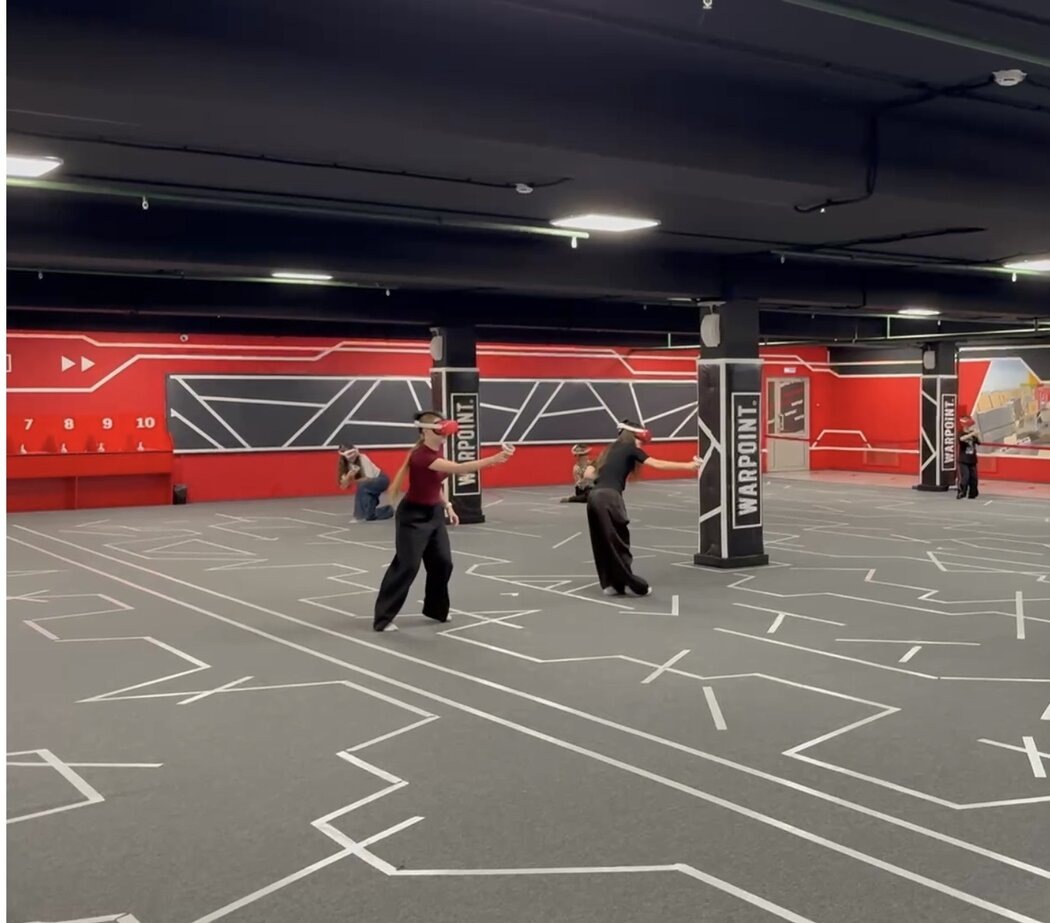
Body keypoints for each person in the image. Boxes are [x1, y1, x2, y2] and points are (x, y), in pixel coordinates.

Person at [373, 411, 515, 631]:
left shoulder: (436, 451)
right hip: (413, 517)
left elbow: (433, 484)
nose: (444, 429)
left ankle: (436, 609)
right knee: (407, 566)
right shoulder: (421, 456)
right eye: (439, 426)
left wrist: (447, 505)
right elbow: (459, 469)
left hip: (434, 514)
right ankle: (383, 618)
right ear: (426, 431)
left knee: (443, 563)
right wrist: (494, 459)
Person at [585, 419, 700, 597]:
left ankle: (610, 585)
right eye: (640, 440)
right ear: (634, 436)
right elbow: (658, 464)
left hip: (593, 497)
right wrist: (689, 466)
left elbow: (588, 474)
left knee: (601, 543)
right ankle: (635, 585)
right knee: (618, 542)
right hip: (610, 497)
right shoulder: (630, 448)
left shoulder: (608, 450)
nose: (641, 444)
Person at [337, 445, 393, 521]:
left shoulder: (362, 457)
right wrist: (348, 476)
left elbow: (369, 478)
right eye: (349, 454)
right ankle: (387, 510)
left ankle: (359, 515)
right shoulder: (344, 465)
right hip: (368, 486)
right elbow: (343, 486)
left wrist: (353, 481)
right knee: (369, 516)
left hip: (381, 480)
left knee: (362, 486)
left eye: (353, 452)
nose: (352, 455)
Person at [957, 416, 981, 499]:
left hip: (972, 459)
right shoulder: (961, 433)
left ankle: (973, 493)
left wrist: (976, 435)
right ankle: (962, 492)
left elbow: (979, 442)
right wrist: (971, 434)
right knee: (966, 477)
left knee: (974, 478)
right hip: (963, 459)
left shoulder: (972, 434)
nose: (969, 427)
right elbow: (961, 439)